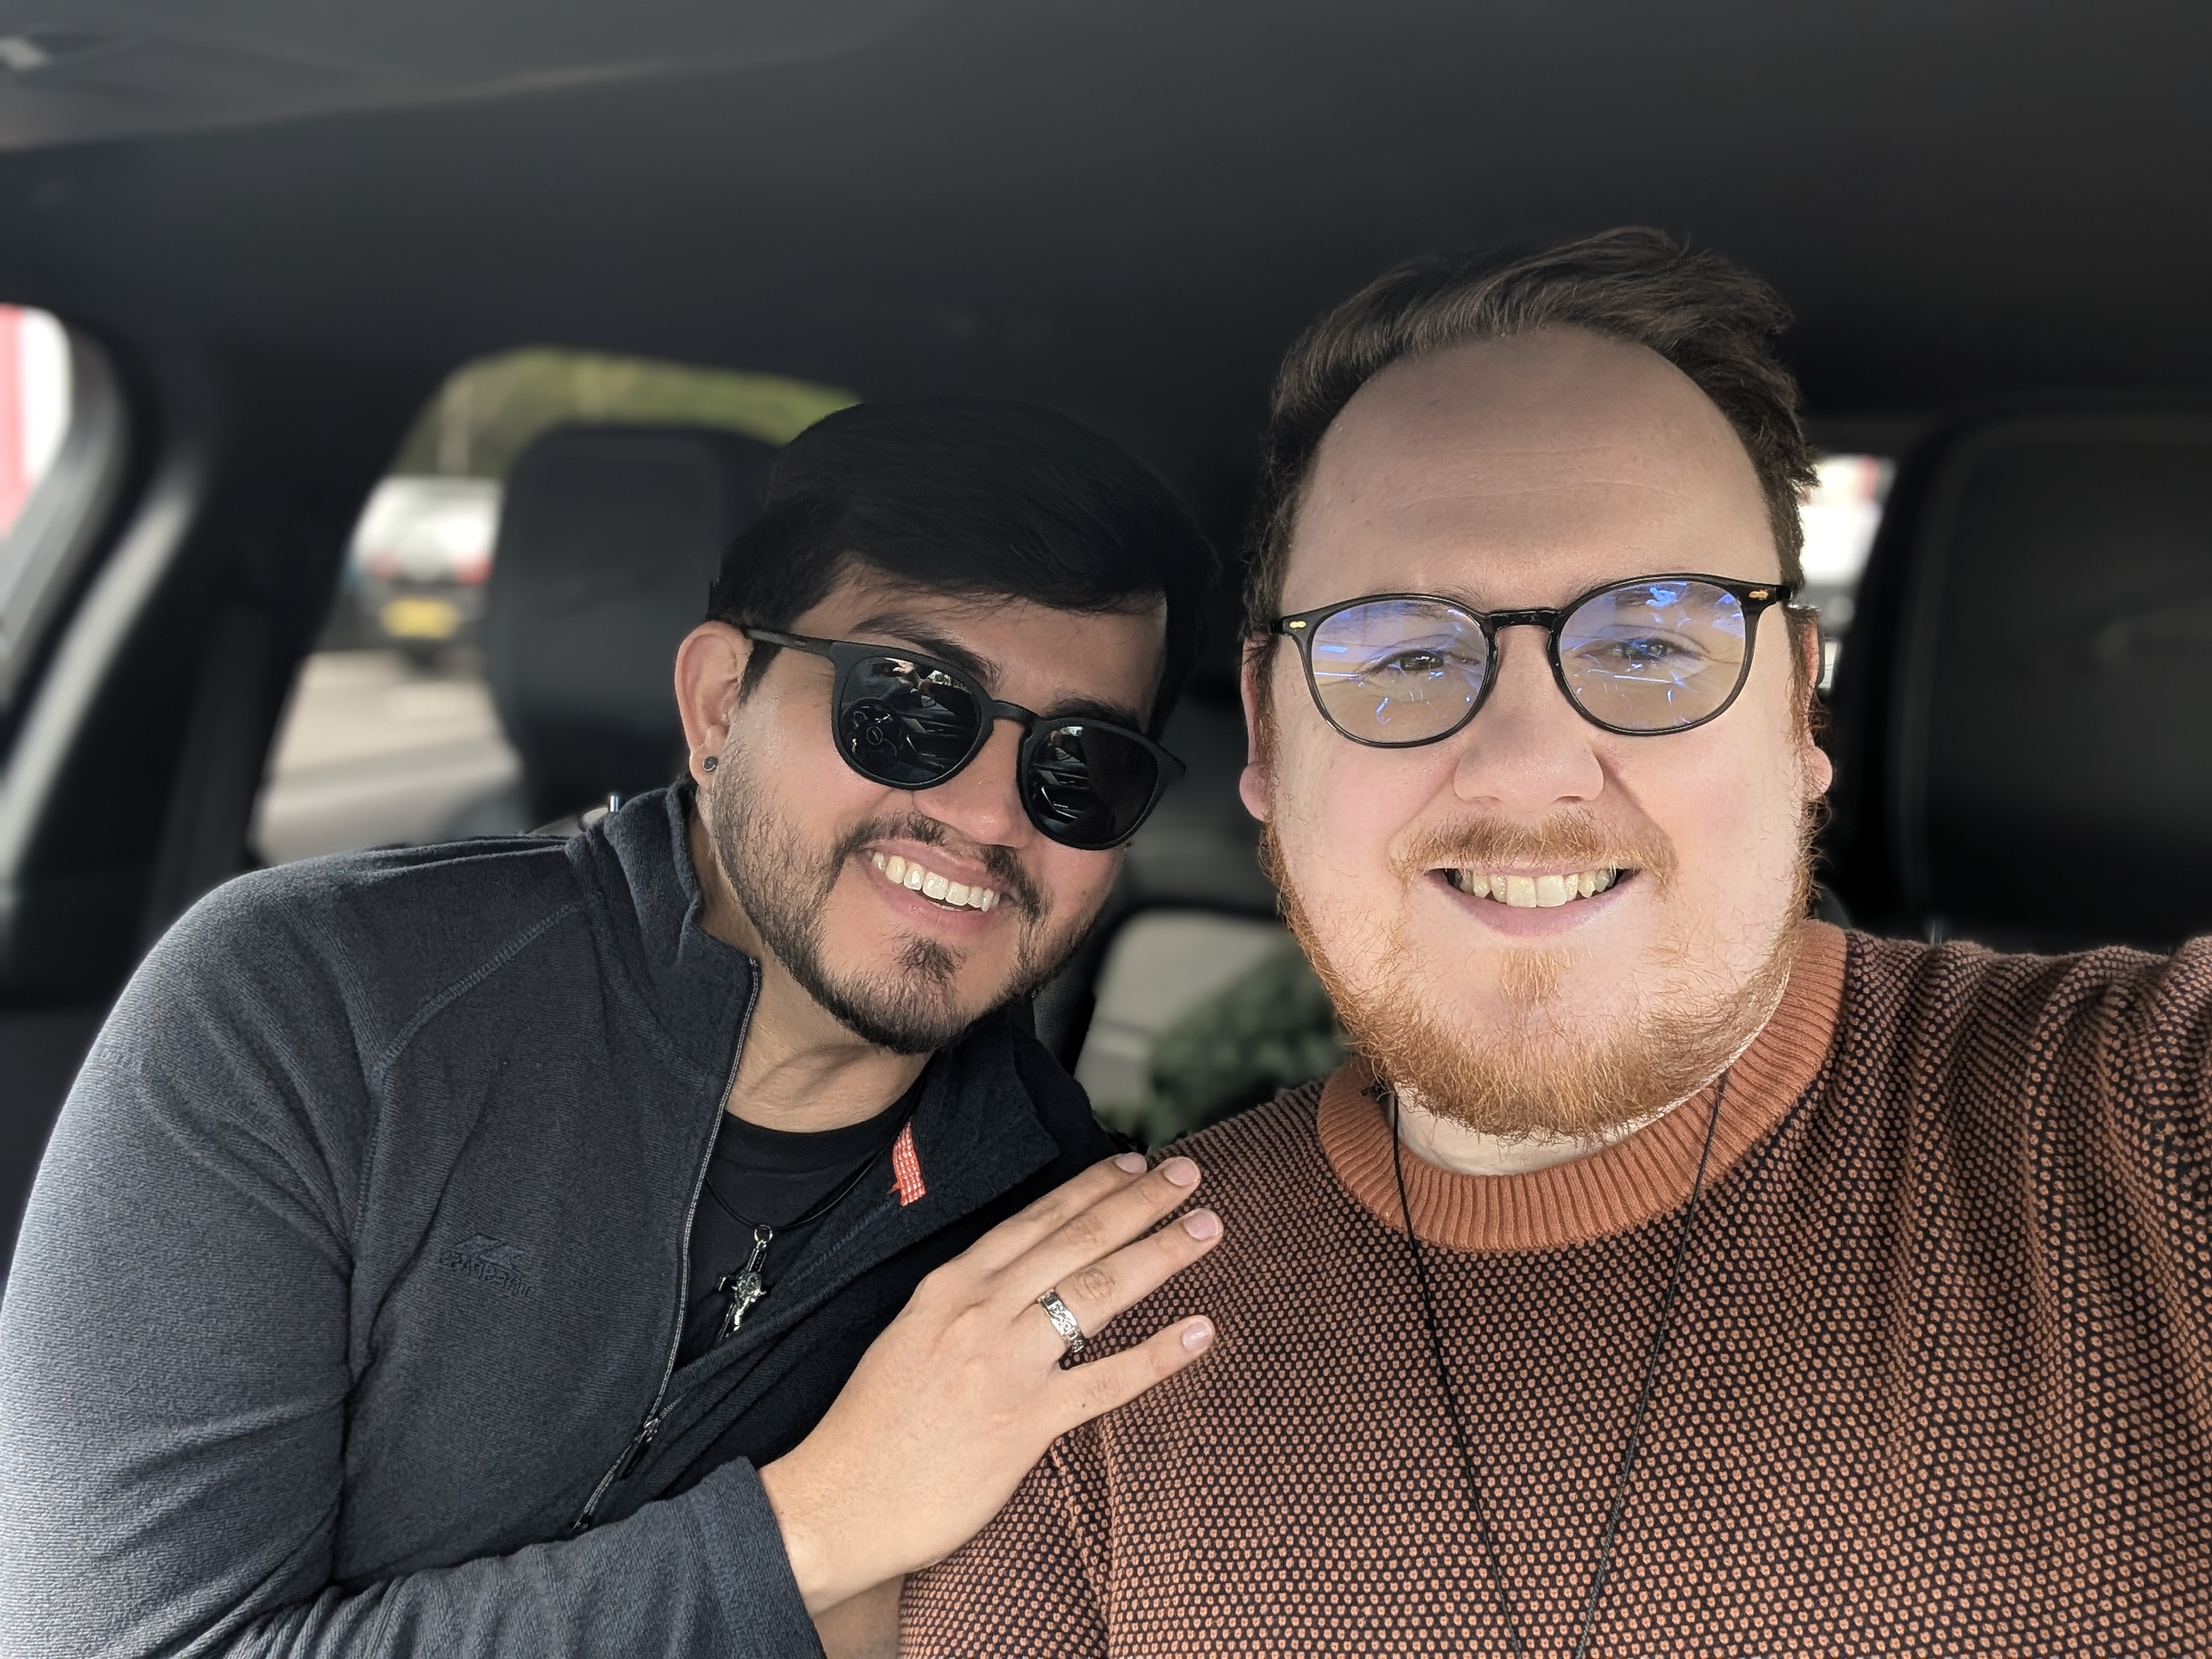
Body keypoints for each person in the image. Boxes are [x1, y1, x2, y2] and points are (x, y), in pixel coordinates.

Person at [902, 231, 2212, 1653]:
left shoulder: (2155, 1121)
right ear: (1269, 733)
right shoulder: (1090, 1356)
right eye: (1404, 652)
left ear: (1797, 707)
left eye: (1651, 643)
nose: (1528, 766)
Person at [0, 398, 1230, 1658]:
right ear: (721, 705)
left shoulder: (1060, 1234)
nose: (989, 817)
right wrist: (818, 1529)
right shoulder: (310, 1009)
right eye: (912, 708)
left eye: (1083, 766)